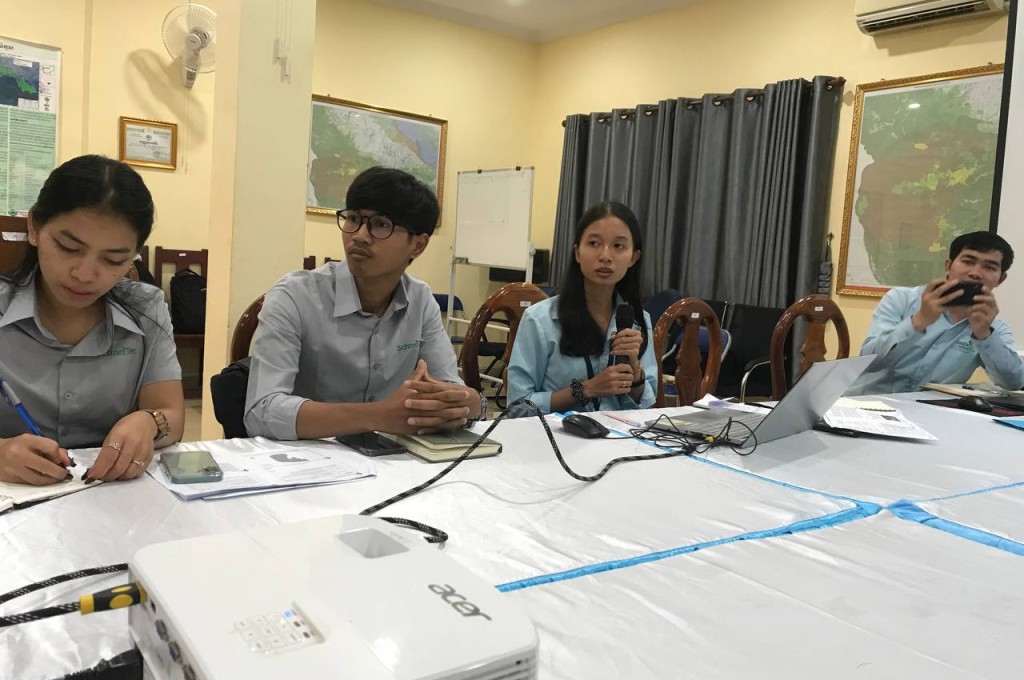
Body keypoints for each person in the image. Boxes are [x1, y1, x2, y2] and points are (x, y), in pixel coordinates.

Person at [244, 166, 484, 440]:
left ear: (418, 245)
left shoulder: (420, 300)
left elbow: (449, 389)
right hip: (309, 457)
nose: (359, 235)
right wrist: (378, 415)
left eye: (380, 224)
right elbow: (261, 412)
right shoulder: (295, 297)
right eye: (353, 218)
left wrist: (469, 402)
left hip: (392, 456)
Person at [0, 155, 184, 485]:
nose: (85, 274)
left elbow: (171, 414)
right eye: (68, 247)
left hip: (110, 497)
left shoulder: (146, 309)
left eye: (113, 260)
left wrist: (148, 422)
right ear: (34, 228)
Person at [507, 201, 658, 415]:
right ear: (577, 253)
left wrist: (635, 374)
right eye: (594, 243)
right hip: (554, 434)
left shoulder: (638, 321)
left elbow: (646, 405)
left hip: (619, 434)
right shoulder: (539, 320)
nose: (605, 256)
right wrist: (585, 389)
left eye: (618, 246)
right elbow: (517, 407)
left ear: (633, 257)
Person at [848, 231, 1024, 395]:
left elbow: (1014, 383)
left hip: (929, 411)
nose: (975, 273)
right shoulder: (901, 299)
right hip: (868, 402)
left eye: (989, 267)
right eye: (968, 262)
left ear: (1001, 279)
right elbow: (868, 361)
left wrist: (984, 335)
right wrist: (918, 322)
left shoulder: (994, 328)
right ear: (948, 266)